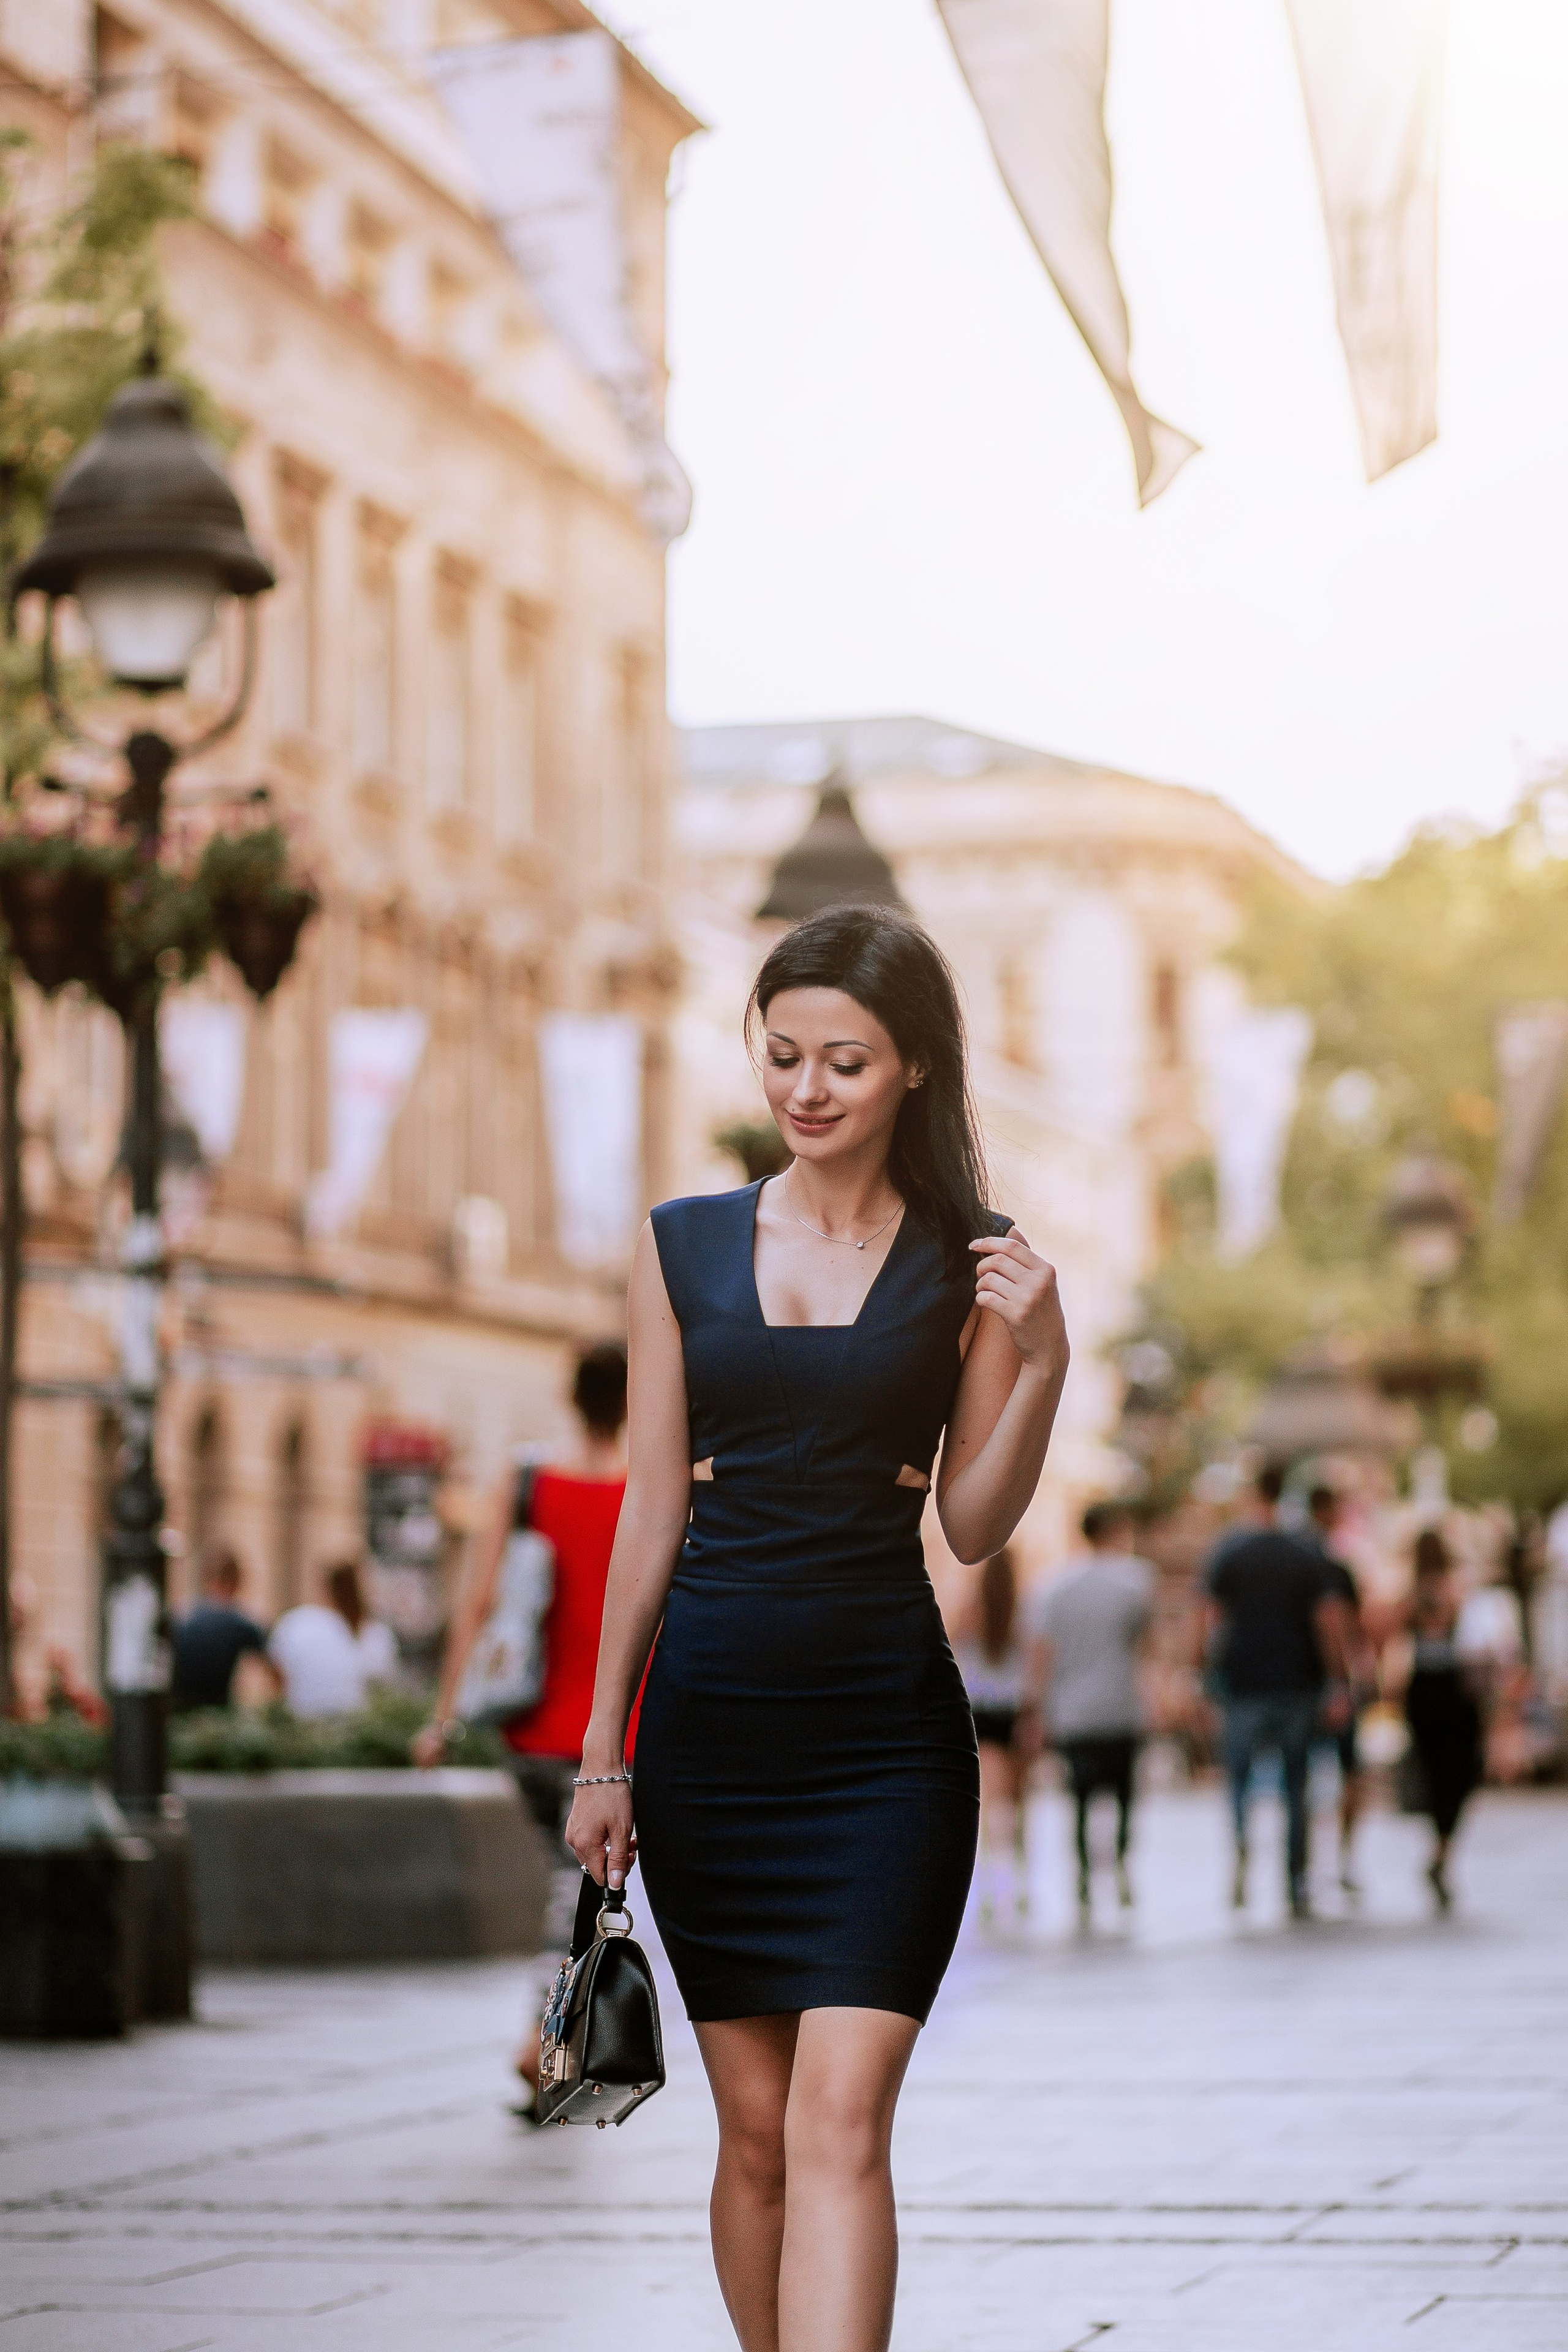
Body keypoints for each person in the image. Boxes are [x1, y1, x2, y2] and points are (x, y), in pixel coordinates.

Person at [566, 904, 1069, 2352]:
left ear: (913, 1065)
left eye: (842, 1059)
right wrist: (606, 1749)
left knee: (844, 2118)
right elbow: (649, 1510)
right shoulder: (680, 1246)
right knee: (760, 2137)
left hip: (883, 1746)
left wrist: (1042, 1354)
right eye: (781, 1053)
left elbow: (970, 1518)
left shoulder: (973, 1256)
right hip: (710, 1732)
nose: (804, 1087)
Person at [415, 1340, 630, 2116]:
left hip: (530, 1727)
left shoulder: (528, 1480)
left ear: (571, 1398)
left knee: (568, 1882)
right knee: (578, 1890)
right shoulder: (649, 1486)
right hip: (618, 1734)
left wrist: (443, 1714)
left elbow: (476, 1602)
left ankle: (555, 2047)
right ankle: (542, 2046)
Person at [1204, 1467, 1350, 1920]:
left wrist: (1201, 1677)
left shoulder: (1230, 1553)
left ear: (1253, 1495)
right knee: (1297, 1787)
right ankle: (1296, 1880)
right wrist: (1338, 1682)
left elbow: (1209, 1620)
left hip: (1243, 1685)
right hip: (1296, 1685)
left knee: (1240, 1785)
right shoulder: (1305, 1554)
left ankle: (1243, 1861)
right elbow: (1327, 1624)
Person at [1027, 1500, 1155, 1921]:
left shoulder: (1053, 1586)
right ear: (1114, 1530)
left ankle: (1082, 1878)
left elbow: (1042, 1655)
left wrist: (1036, 1712)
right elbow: (1147, 1647)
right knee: (1123, 1797)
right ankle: (1119, 1868)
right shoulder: (1135, 1581)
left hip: (1073, 1711)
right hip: (1121, 1706)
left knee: (1079, 1802)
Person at [1401, 1527, 1483, 1911]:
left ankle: (1440, 1848)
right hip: (1450, 1686)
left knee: (1437, 1771)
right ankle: (1442, 1849)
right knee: (1456, 1772)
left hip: (1426, 1687)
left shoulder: (1413, 1593)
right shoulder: (1453, 1590)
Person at [1303, 1485, 1377, 1895]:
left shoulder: (1296, 1563)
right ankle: (1343, 1859)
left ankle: (1307, 1864)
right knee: (1350, 1774)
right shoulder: (1333, 1567)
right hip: (1333, 1684)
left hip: (1305, 1683)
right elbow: (1349, 1626)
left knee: (1306, 1776)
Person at [953, 1548, 1031, 1925]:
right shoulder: (1023, 1610)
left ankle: (984, 1888)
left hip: (980, 1709)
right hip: (1013, 1710)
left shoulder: (972, 1610)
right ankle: (1018, 1885)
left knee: (984, 1807)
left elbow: (951, 1650)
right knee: (1018, 1808)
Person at [268, 1560, 397, 1717]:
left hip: (303, 1723)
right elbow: (384, 1687)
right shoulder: (377, 1634)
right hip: (358, 1727)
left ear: (326, 1589)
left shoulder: (297, 1622)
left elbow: (276, 1672)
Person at [170, 1544, 276, 1711]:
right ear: (236, 1581)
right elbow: (275, 1674)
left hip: (176, 1710)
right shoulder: (241, 1623)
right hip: (215, 1714)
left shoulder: (181, 1616)